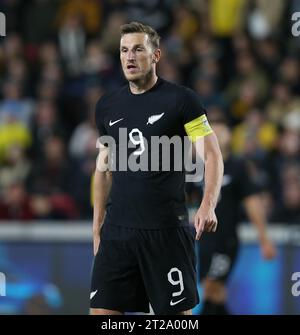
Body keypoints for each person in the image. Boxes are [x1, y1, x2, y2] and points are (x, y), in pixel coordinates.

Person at [90, 22, 224, 315]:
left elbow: (212, 155)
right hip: (117, 233)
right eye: (124, 50)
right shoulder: (107, 106)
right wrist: (97, 226)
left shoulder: (182, 100)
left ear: (156, 55)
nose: (130, 57)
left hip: (165, 232)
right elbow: (103, 169)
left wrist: (208, 204)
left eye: (138, 49)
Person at [195, 119, 276, 315]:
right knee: (212, 291)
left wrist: (264, 239)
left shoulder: (237, 167)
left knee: (213, 286)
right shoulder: (198, 167)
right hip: (204, 241)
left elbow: (253, 204)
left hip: (225, 239)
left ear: (230, 137)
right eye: (212, 130)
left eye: (221, 130)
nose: (216, 134)